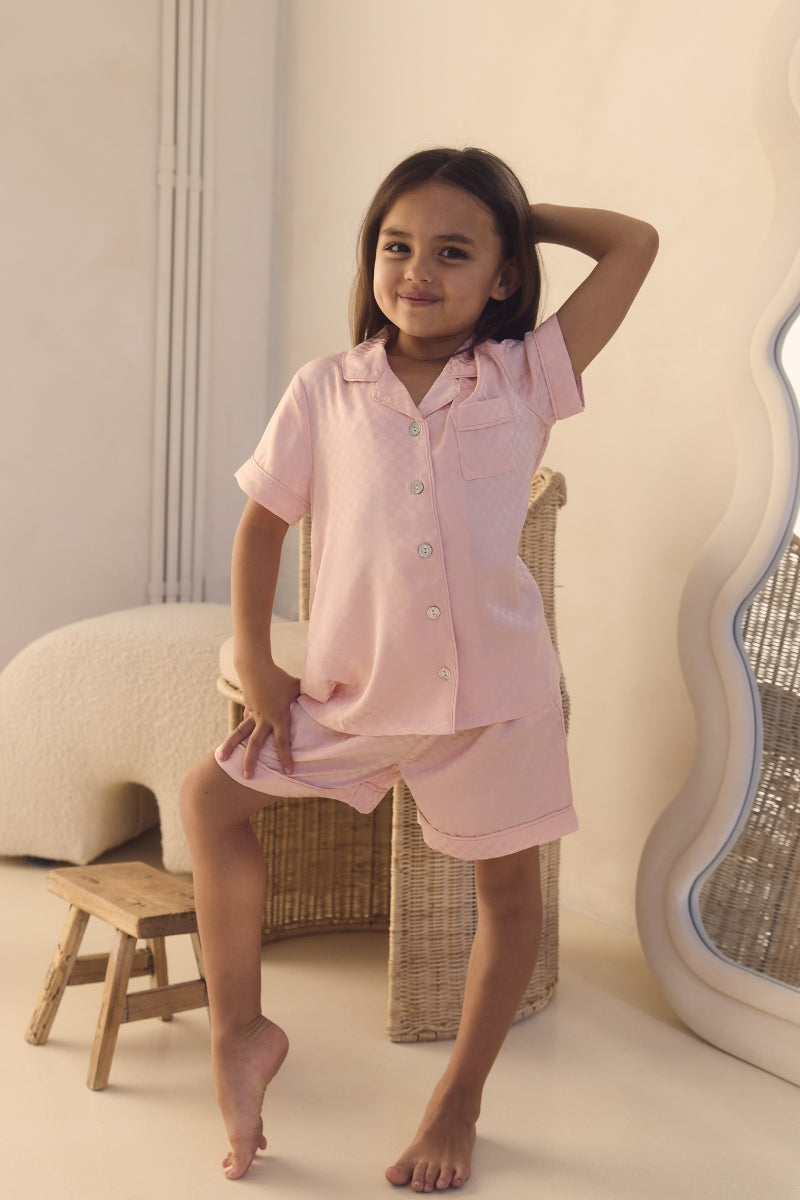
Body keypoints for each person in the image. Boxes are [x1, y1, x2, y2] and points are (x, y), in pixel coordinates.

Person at [179, 146, 658, 1191]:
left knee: (510, 899)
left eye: (453, 251)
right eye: (397, 246)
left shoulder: (527, 375)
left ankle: (457, 1102)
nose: (417, 271)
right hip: (358, 694)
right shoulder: (327, 389)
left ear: (504, 274)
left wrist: (516, 212)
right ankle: (239, 1031)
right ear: (371, 258)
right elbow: (262, 526)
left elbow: (634, 243)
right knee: (209, 802)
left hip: (497, 704)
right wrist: (257, 659)